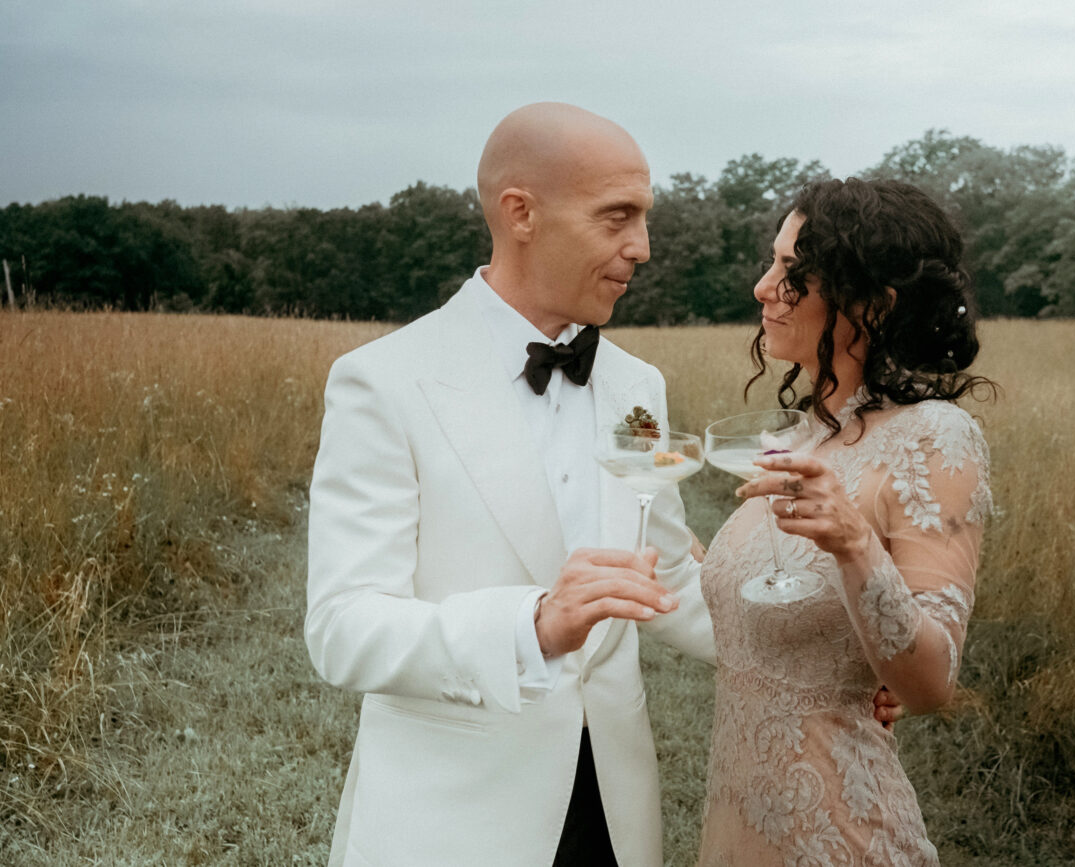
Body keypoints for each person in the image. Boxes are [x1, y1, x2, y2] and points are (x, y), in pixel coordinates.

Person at [303, 103, 719, 867]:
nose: (644, 247)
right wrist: (530, 625)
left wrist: (827, 656)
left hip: (614, 818)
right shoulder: (383, 381)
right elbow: (343, 627)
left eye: (645, 218)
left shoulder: (637, 387)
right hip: (453, 822)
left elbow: (668, 578)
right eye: (617, 217)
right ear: (520, 212)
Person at [695, 178, 995, 866]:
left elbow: (929, 682)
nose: (762, 287)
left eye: (793, 273)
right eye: (772, 263)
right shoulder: (798, 441)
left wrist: (856, 544)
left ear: (873, 303)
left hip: (842, 839)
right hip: (733, 834)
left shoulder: (936, 438)